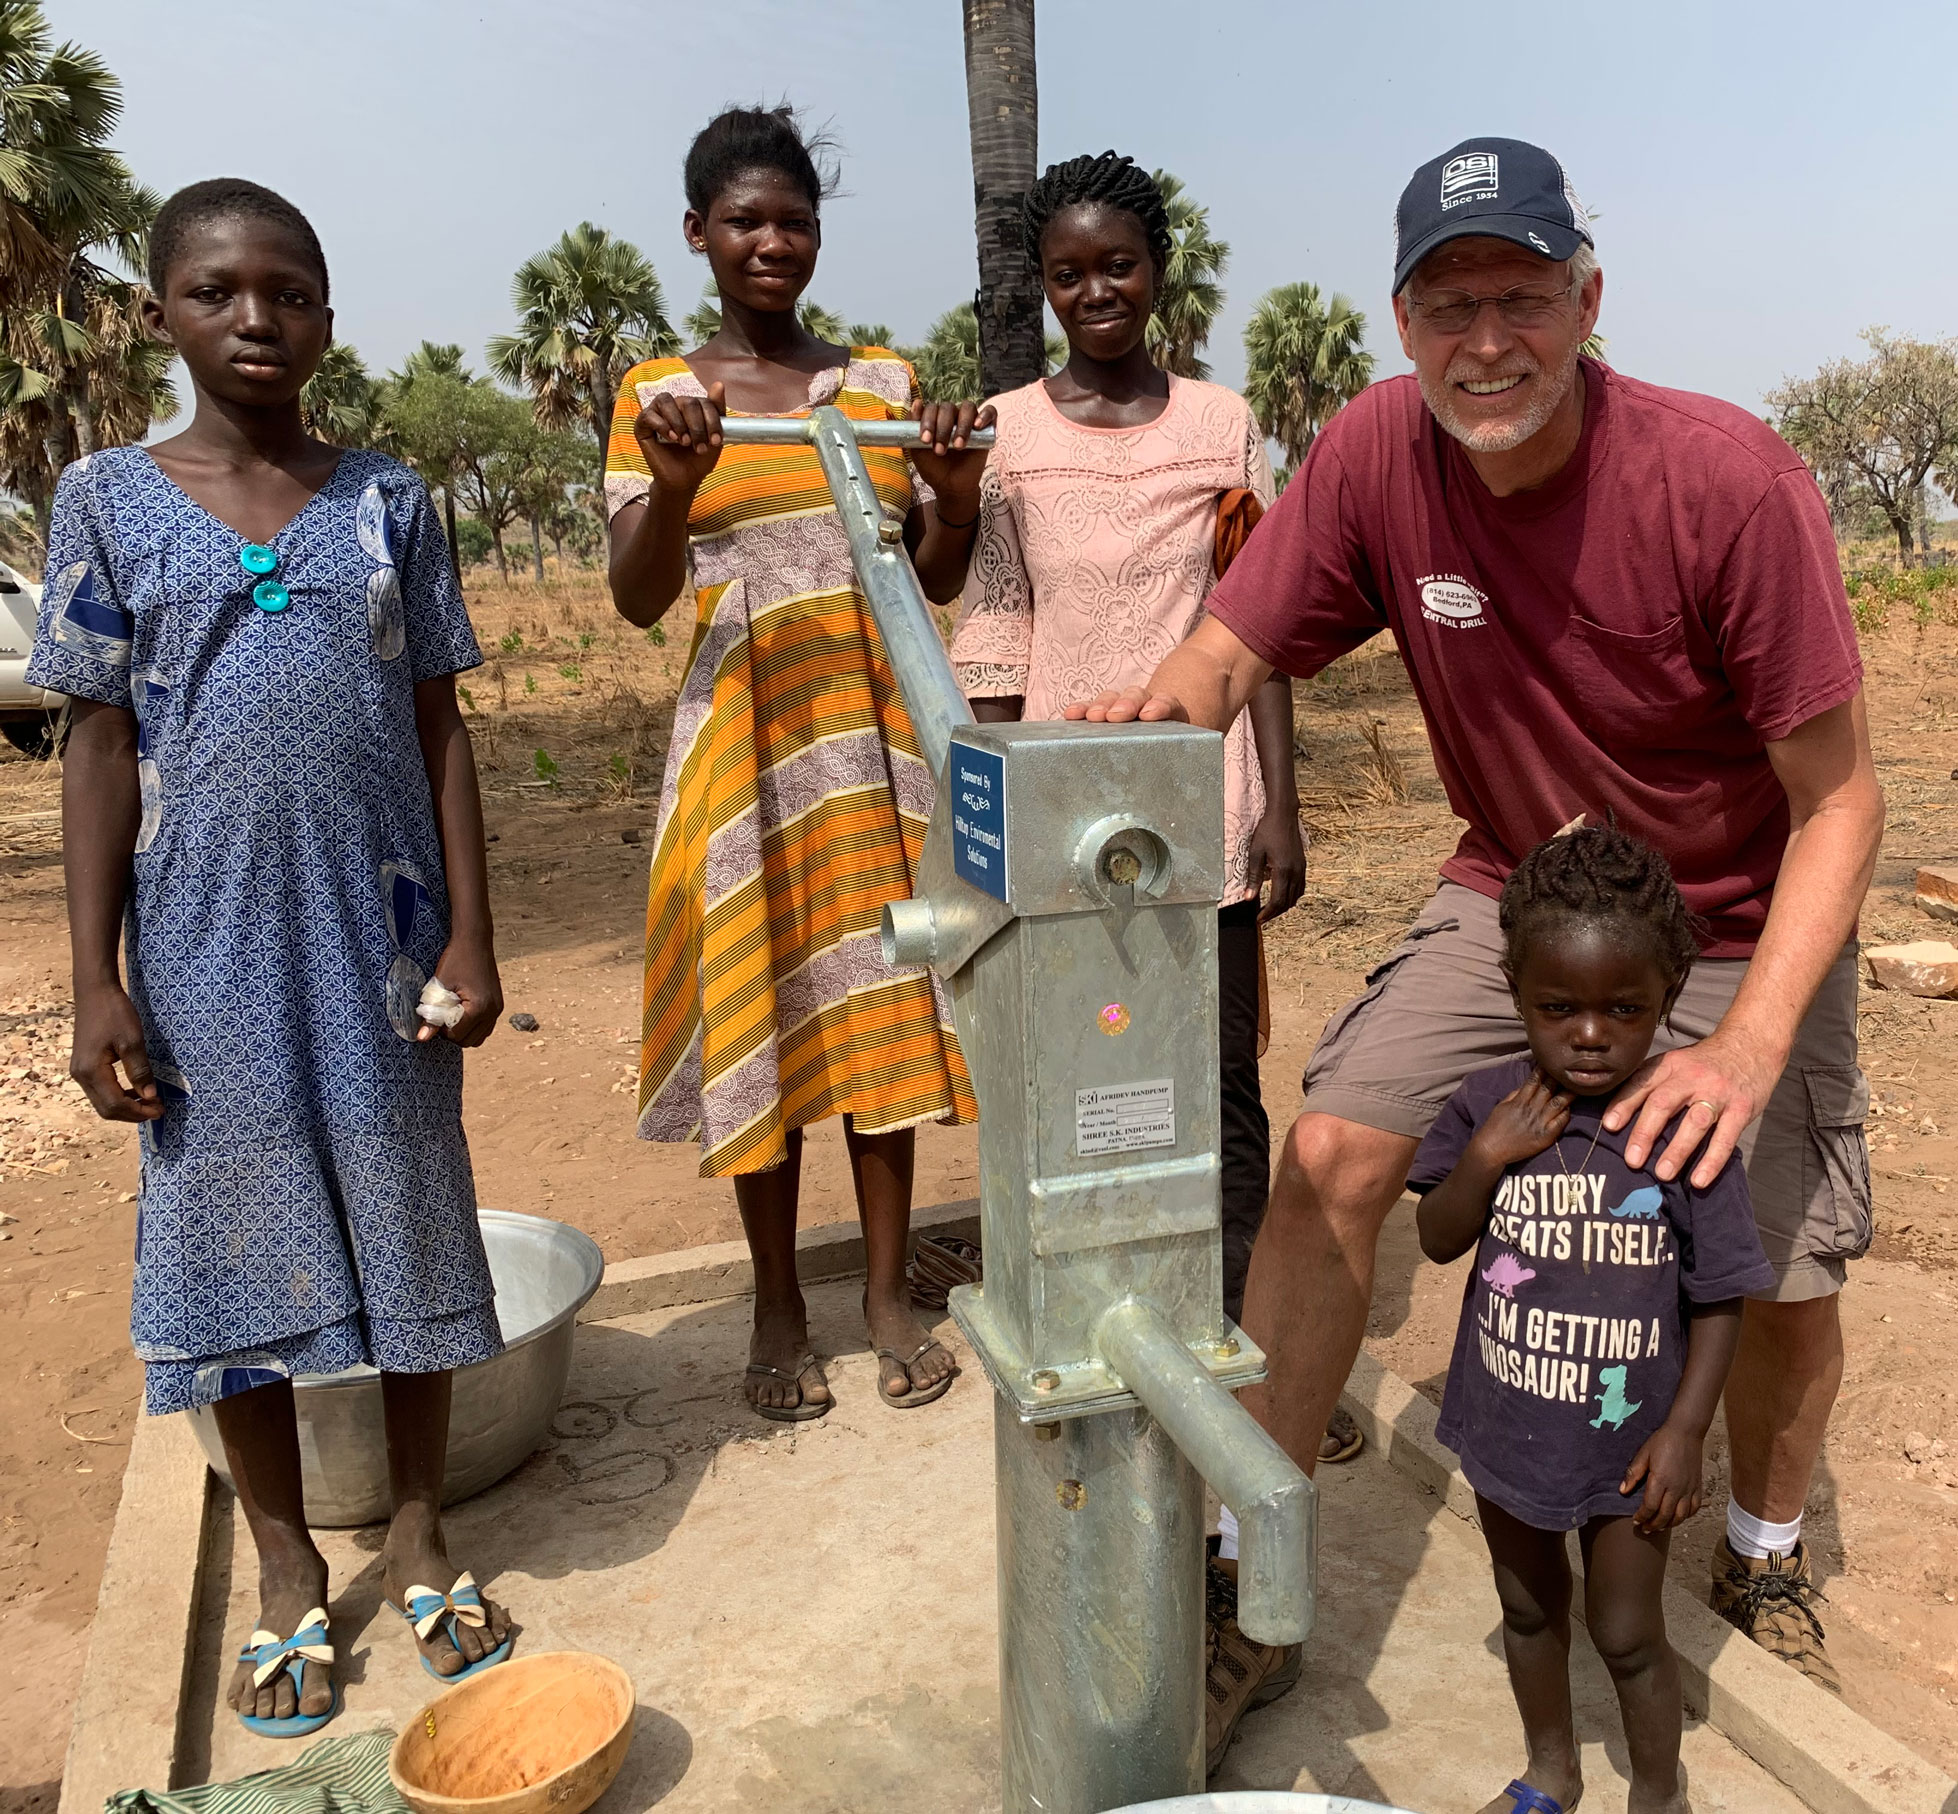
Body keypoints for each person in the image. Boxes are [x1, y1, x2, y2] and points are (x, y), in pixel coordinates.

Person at [1072, 136, 1884, 1756]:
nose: (1486, 338)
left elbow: (1839, 799)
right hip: (1514, 887)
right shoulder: (1381, 454)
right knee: (1323, 1152)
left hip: (1727, 908)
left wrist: (1737, 1047)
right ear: (1400, 321)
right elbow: (1228, 648)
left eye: (1520, 295)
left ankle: (1763, 1544)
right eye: (1450, 304)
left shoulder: (1724, 483)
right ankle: (1254, 1570)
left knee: (1774, 1263)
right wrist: (1138, 724)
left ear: (1585, 299)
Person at [31, 180, 514, 1738]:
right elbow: (97, 746)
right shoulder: (104, 499)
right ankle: (287, 1559)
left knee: (411, 1211)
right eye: (221, 292)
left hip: (378, 939)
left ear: (325, 312)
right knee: (231, 1240)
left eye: (289, 293)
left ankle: (426, 1526)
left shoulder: (387, 500)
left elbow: (441, 724)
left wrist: (471, 926)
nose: (258, 321)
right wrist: (96, 974)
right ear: (165, 311)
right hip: (199, 944)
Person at [605, 106, 992, 1421]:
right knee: (763, 1014)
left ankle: (885, 1288)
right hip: (744, 748)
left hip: (872, 747)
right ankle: (777, 1295)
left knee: (880, 1010)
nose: (773, 241)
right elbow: (635, 598)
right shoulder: (657, 397)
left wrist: (958, 493)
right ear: (698, 234)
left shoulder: (879, 386)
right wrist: (669, 486)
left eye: (794, 221)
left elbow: (926, 578)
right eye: (746, 221)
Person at [948, 149, 1306, 1330]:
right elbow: (994, 625)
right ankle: (1098, 1313)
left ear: (1156, 270)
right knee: (1077, 1068)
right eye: (1068, 273)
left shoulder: (1219, 424)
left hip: (1199, 807)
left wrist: (1279, 807)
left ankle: (1235, 1326)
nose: (1095, 290)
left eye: (1118, 265)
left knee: (1220, 1083)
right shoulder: (1003, 431)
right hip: (1062, 819)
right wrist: (991, 822)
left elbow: (1254, 614)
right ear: (1043, 287)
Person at [1413, 827, 1772, 1814]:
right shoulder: (1486, 1105)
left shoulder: (1679, 1127)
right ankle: (1549, 1771)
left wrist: (1685, 1431)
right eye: (1555, 1007)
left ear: (1666, 995)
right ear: (1515, 989)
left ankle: (1654, 1792)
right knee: (1526, 1609)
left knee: (1625, 1632)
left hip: (1627, 1451)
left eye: (1623, 1009)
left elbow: (1718, 1290)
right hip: (1503, 1426)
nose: (1587, 1034)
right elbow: (1436, 1236)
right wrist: (1484, 1157)